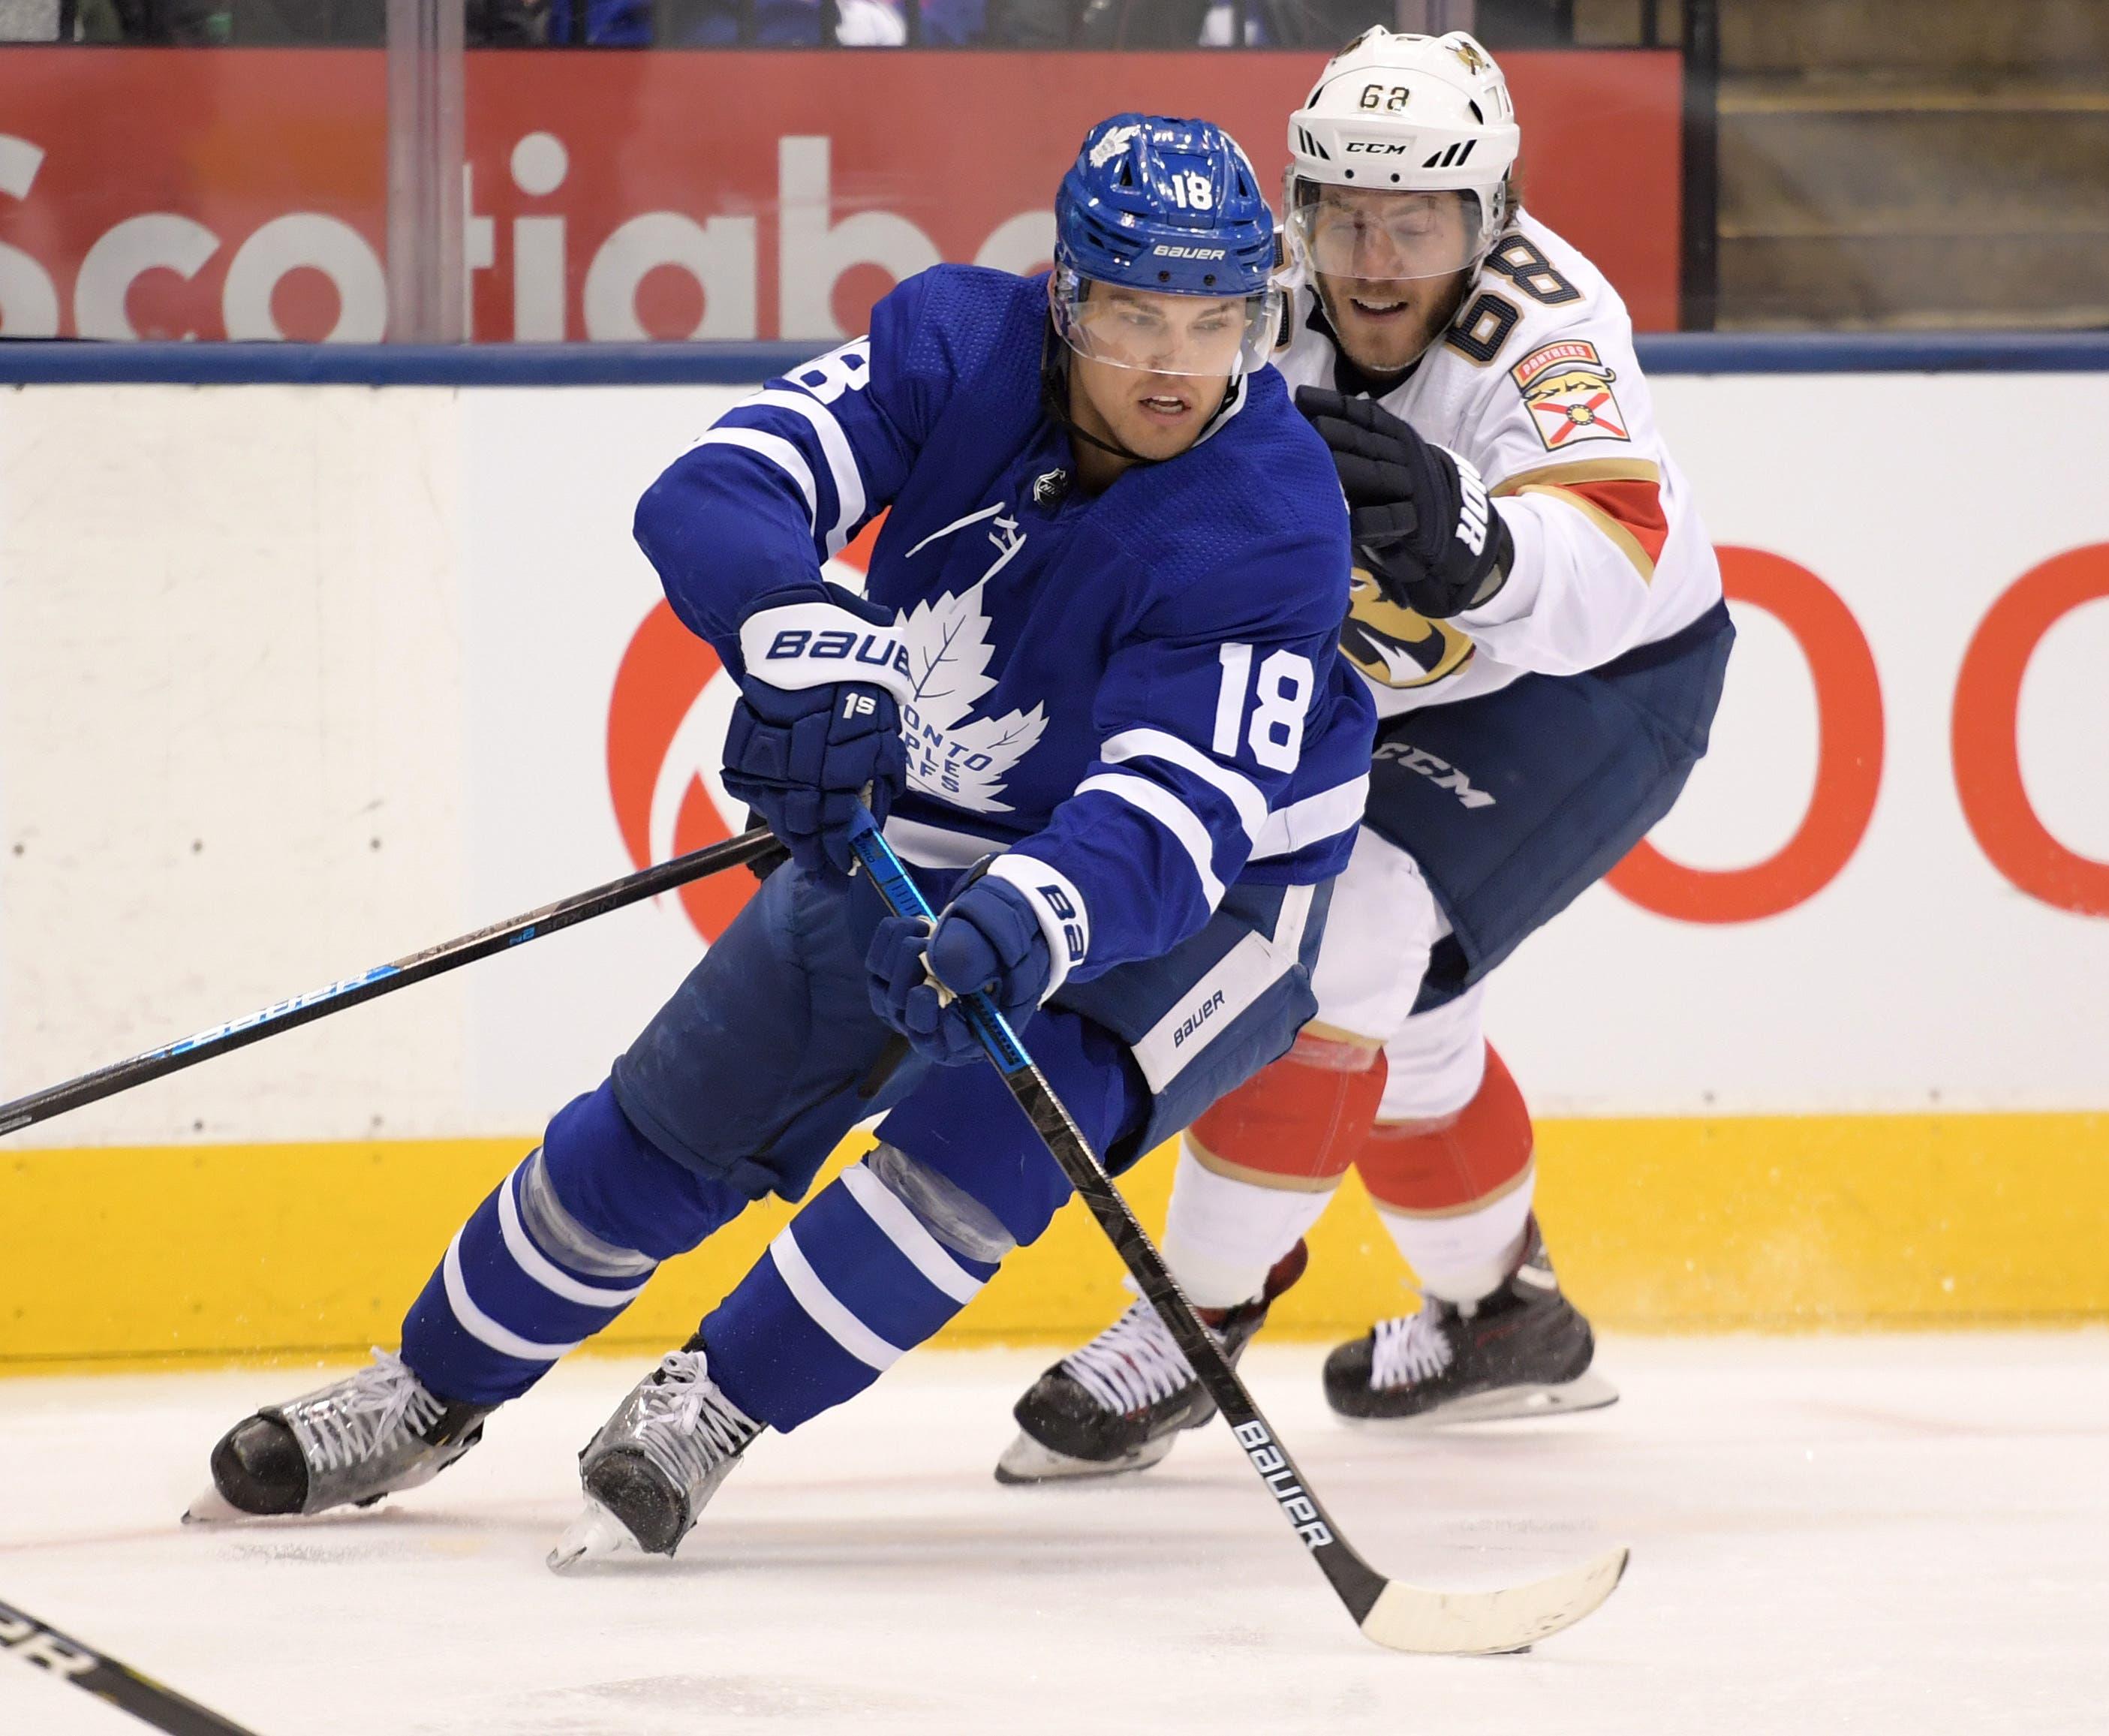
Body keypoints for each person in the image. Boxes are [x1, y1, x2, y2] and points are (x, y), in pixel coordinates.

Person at [188, 114, 1375, 1563]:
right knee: (658, 1131)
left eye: (1216, 321)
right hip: (936, 829)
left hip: (1205, 902)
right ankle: (425, 1388)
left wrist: (1037, 914)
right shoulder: (960, 344)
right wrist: (803, 647)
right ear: (1067, 298)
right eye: (1136, 314)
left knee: (969, 1152)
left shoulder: (1273, 508)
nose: (1178, 364)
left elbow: (1180, 811)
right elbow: (721, 485)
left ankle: (715, 1405)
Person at [1000, 29, 1733, 1481]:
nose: (1378, 260)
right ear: (1300, 204)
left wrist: (1482, 541)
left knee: (1350, 941)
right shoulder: (1248, 292)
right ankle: (1502, 1312)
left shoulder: (1551, 325)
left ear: (1491, 220)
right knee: (1407, 1004)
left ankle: (1192, 1320)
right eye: (1345, 216)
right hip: (1388, 690)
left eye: (1420, 222)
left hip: (1591, 680)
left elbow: (1616, 559)